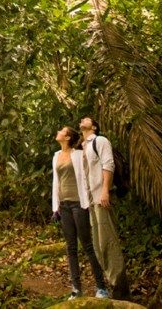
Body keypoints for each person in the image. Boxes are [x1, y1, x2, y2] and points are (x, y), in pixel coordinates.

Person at [52, 126, 110, 300]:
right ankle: (76, 289)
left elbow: (87, 174)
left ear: (68, 137)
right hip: (64, 206)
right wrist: (55, 207)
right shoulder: (56, 156)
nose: (58, 132)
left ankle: (101, 287)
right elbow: (56, 181)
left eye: (61, 131)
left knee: (87, 245)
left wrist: (95, 196)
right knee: (70, 248)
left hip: (79, 204)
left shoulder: (78, 154)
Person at [79, 116, 128, 298]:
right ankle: (113, 284)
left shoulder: (100, 141)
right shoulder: (83, 147)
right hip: (92, 201)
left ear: (94, 126)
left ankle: (121, 291)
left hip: (102, 197)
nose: (82, 120)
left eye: (86, 119)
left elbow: (108, 164)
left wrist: (105, 191)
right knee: (99, 245)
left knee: (108, 242)